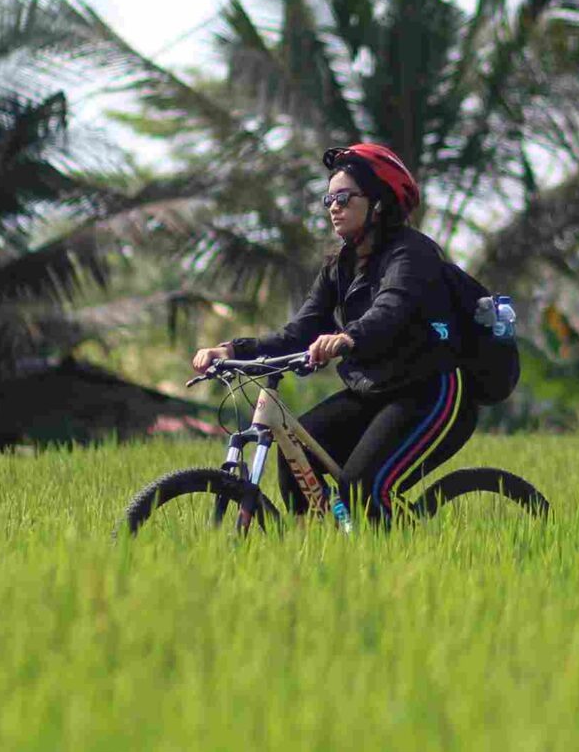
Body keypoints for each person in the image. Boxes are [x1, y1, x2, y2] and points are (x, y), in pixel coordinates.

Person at [191, 143, 476, 521]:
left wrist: (347, 337)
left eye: (344, 197)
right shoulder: (338, 266)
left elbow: (391, 309)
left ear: (378, 202)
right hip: (373, 389)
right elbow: (301, 330)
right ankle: (320, 547)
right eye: (328, 199)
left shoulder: (412, 254)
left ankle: (404, 554)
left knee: (362, 487)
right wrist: (231, 351)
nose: (333, 207)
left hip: (431, 391)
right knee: (296, 454)